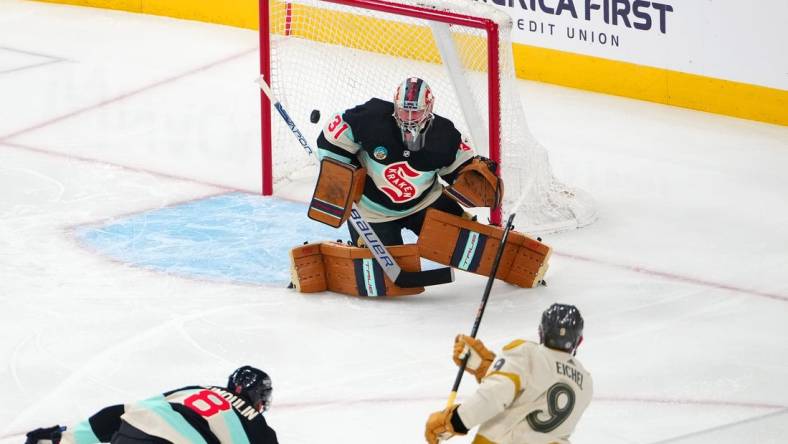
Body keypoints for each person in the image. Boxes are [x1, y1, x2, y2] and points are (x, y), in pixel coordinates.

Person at [316, 76, 500, 246]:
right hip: (373, 212)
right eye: (405, 110)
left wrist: (470, 174)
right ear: (395, 105)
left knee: (473, 247)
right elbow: (331, 140)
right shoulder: (371, 118)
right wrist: (343, 173)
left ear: (429, 108)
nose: (410, 118)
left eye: (417, 111)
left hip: (426, 203)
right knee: (382, 278)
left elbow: (458, 170)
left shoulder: (444, 134)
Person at [425, 303, 592, 444]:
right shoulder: (586, 381)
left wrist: (454, 421)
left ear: (541, 332)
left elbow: (495, 394)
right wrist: (489, 368)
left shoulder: (528, 353)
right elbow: (532, 395)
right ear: (579, 341)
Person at [25, 366, 278, 444]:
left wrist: (62, 438)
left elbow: (121, 412)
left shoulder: (193, 391)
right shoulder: (257, 425)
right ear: (256, 397)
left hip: (129, 435)